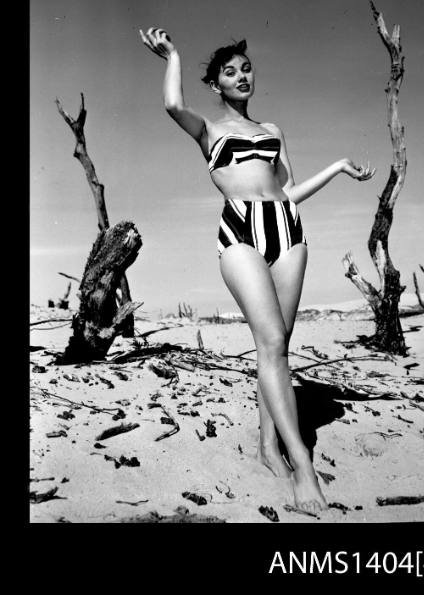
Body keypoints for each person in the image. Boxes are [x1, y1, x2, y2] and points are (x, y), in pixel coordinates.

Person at [139, 27, 376, 514]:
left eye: (246, 69)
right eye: (230, 72)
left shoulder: (272, 131)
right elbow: (170, 106)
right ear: (216, 85)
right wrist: (174, 56)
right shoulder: (208, 129)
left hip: (288, 231)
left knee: (278, 347)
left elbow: (287, 191)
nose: (241, 76)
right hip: (240, 232)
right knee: (270, 344)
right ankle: (302, 465)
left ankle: (269, 446)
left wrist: (336, 168)